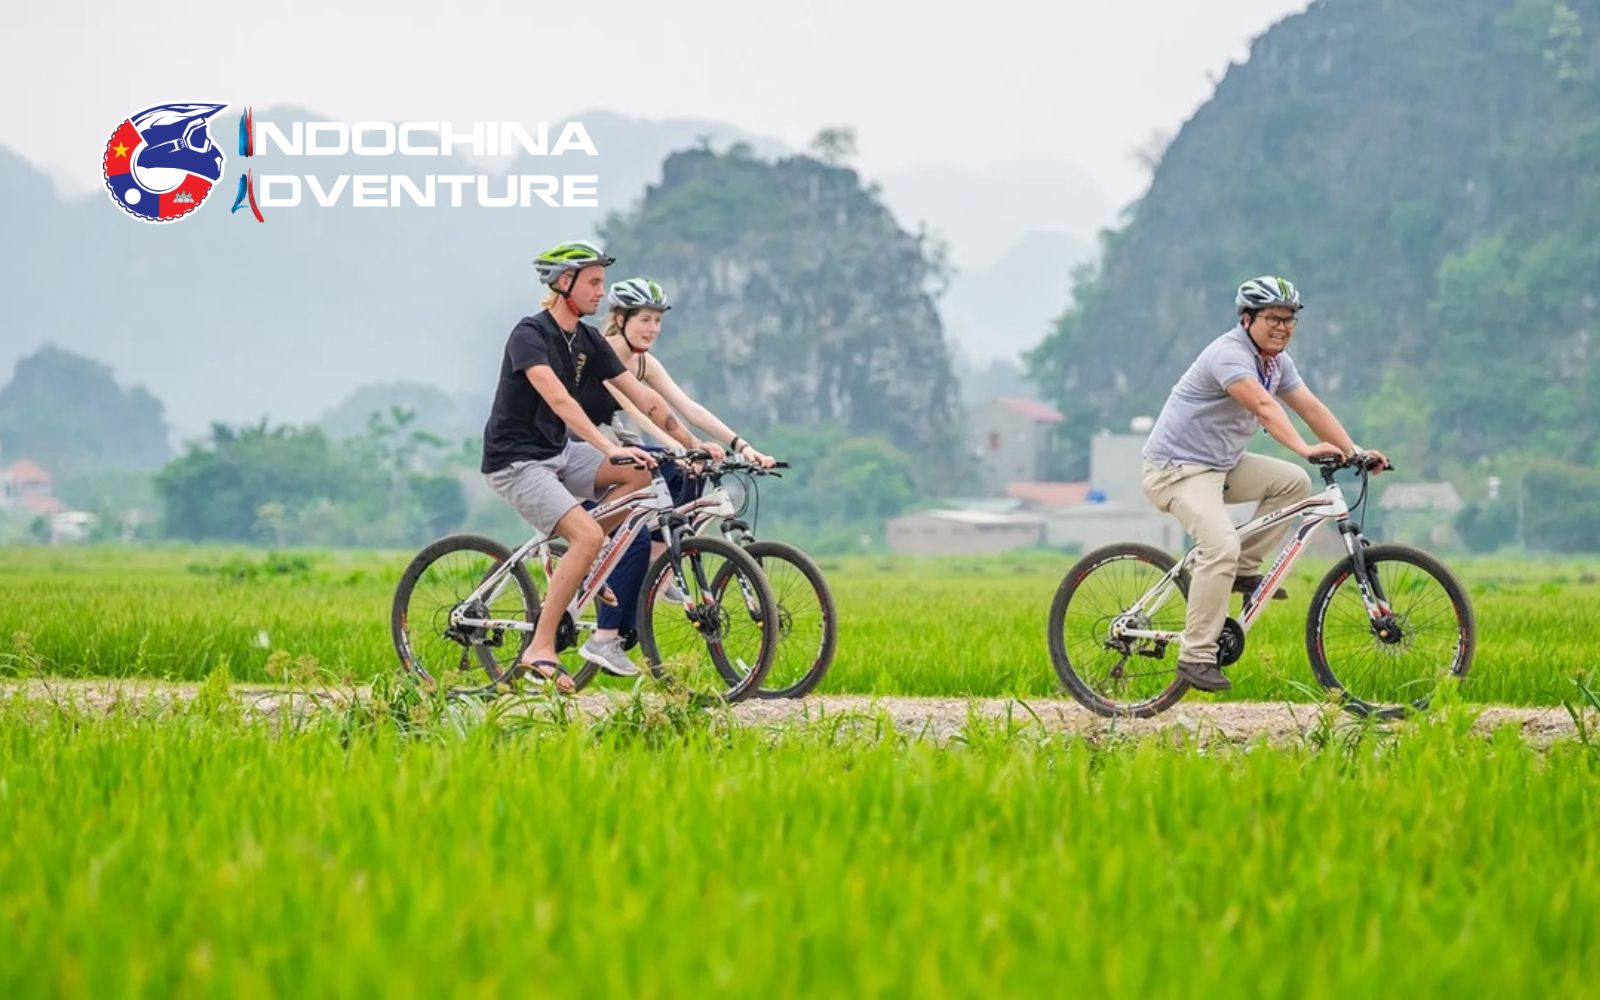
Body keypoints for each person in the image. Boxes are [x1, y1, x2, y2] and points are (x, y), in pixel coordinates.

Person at [480, 240, 722, 693]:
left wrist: (693, 445)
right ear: (563, 283)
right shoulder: (529, 334)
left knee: (643, 472)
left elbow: (643, 397)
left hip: (560, 453)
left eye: (602, 283)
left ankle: (592, 563)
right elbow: (559, 400)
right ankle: (540, 648)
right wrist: (606, 448)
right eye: (593, 283)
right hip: (516, 460)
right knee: (589, 532)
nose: (600, 292)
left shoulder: (588, 339)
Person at [1139, 276, 1388, 693]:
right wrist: (1305, 447)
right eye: (1273, 318)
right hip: (1176, 469)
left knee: (1293, 482)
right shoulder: (1228, 356)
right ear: (1247, 319)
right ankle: (1196, 655)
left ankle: (1239, 570)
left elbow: (1309, 406)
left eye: (1290, 320)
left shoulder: (1276, 363)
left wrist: (1354, 449)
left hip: (1220, 466)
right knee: (1219, 545)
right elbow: (1263, 406)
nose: (1282, 327)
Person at [566, 276, 775, 678]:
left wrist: (742, 445)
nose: (652, 329)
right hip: (577, 452)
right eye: (645, 319)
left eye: (658, 321)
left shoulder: (644, 360)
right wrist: (680, 447)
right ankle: (606, 635)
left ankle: (662, 565)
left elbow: (686, 406)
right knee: (638, 528)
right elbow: (647, 412)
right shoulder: (605, 353)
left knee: (687, 476)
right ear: (621, 318)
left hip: (610, 449)